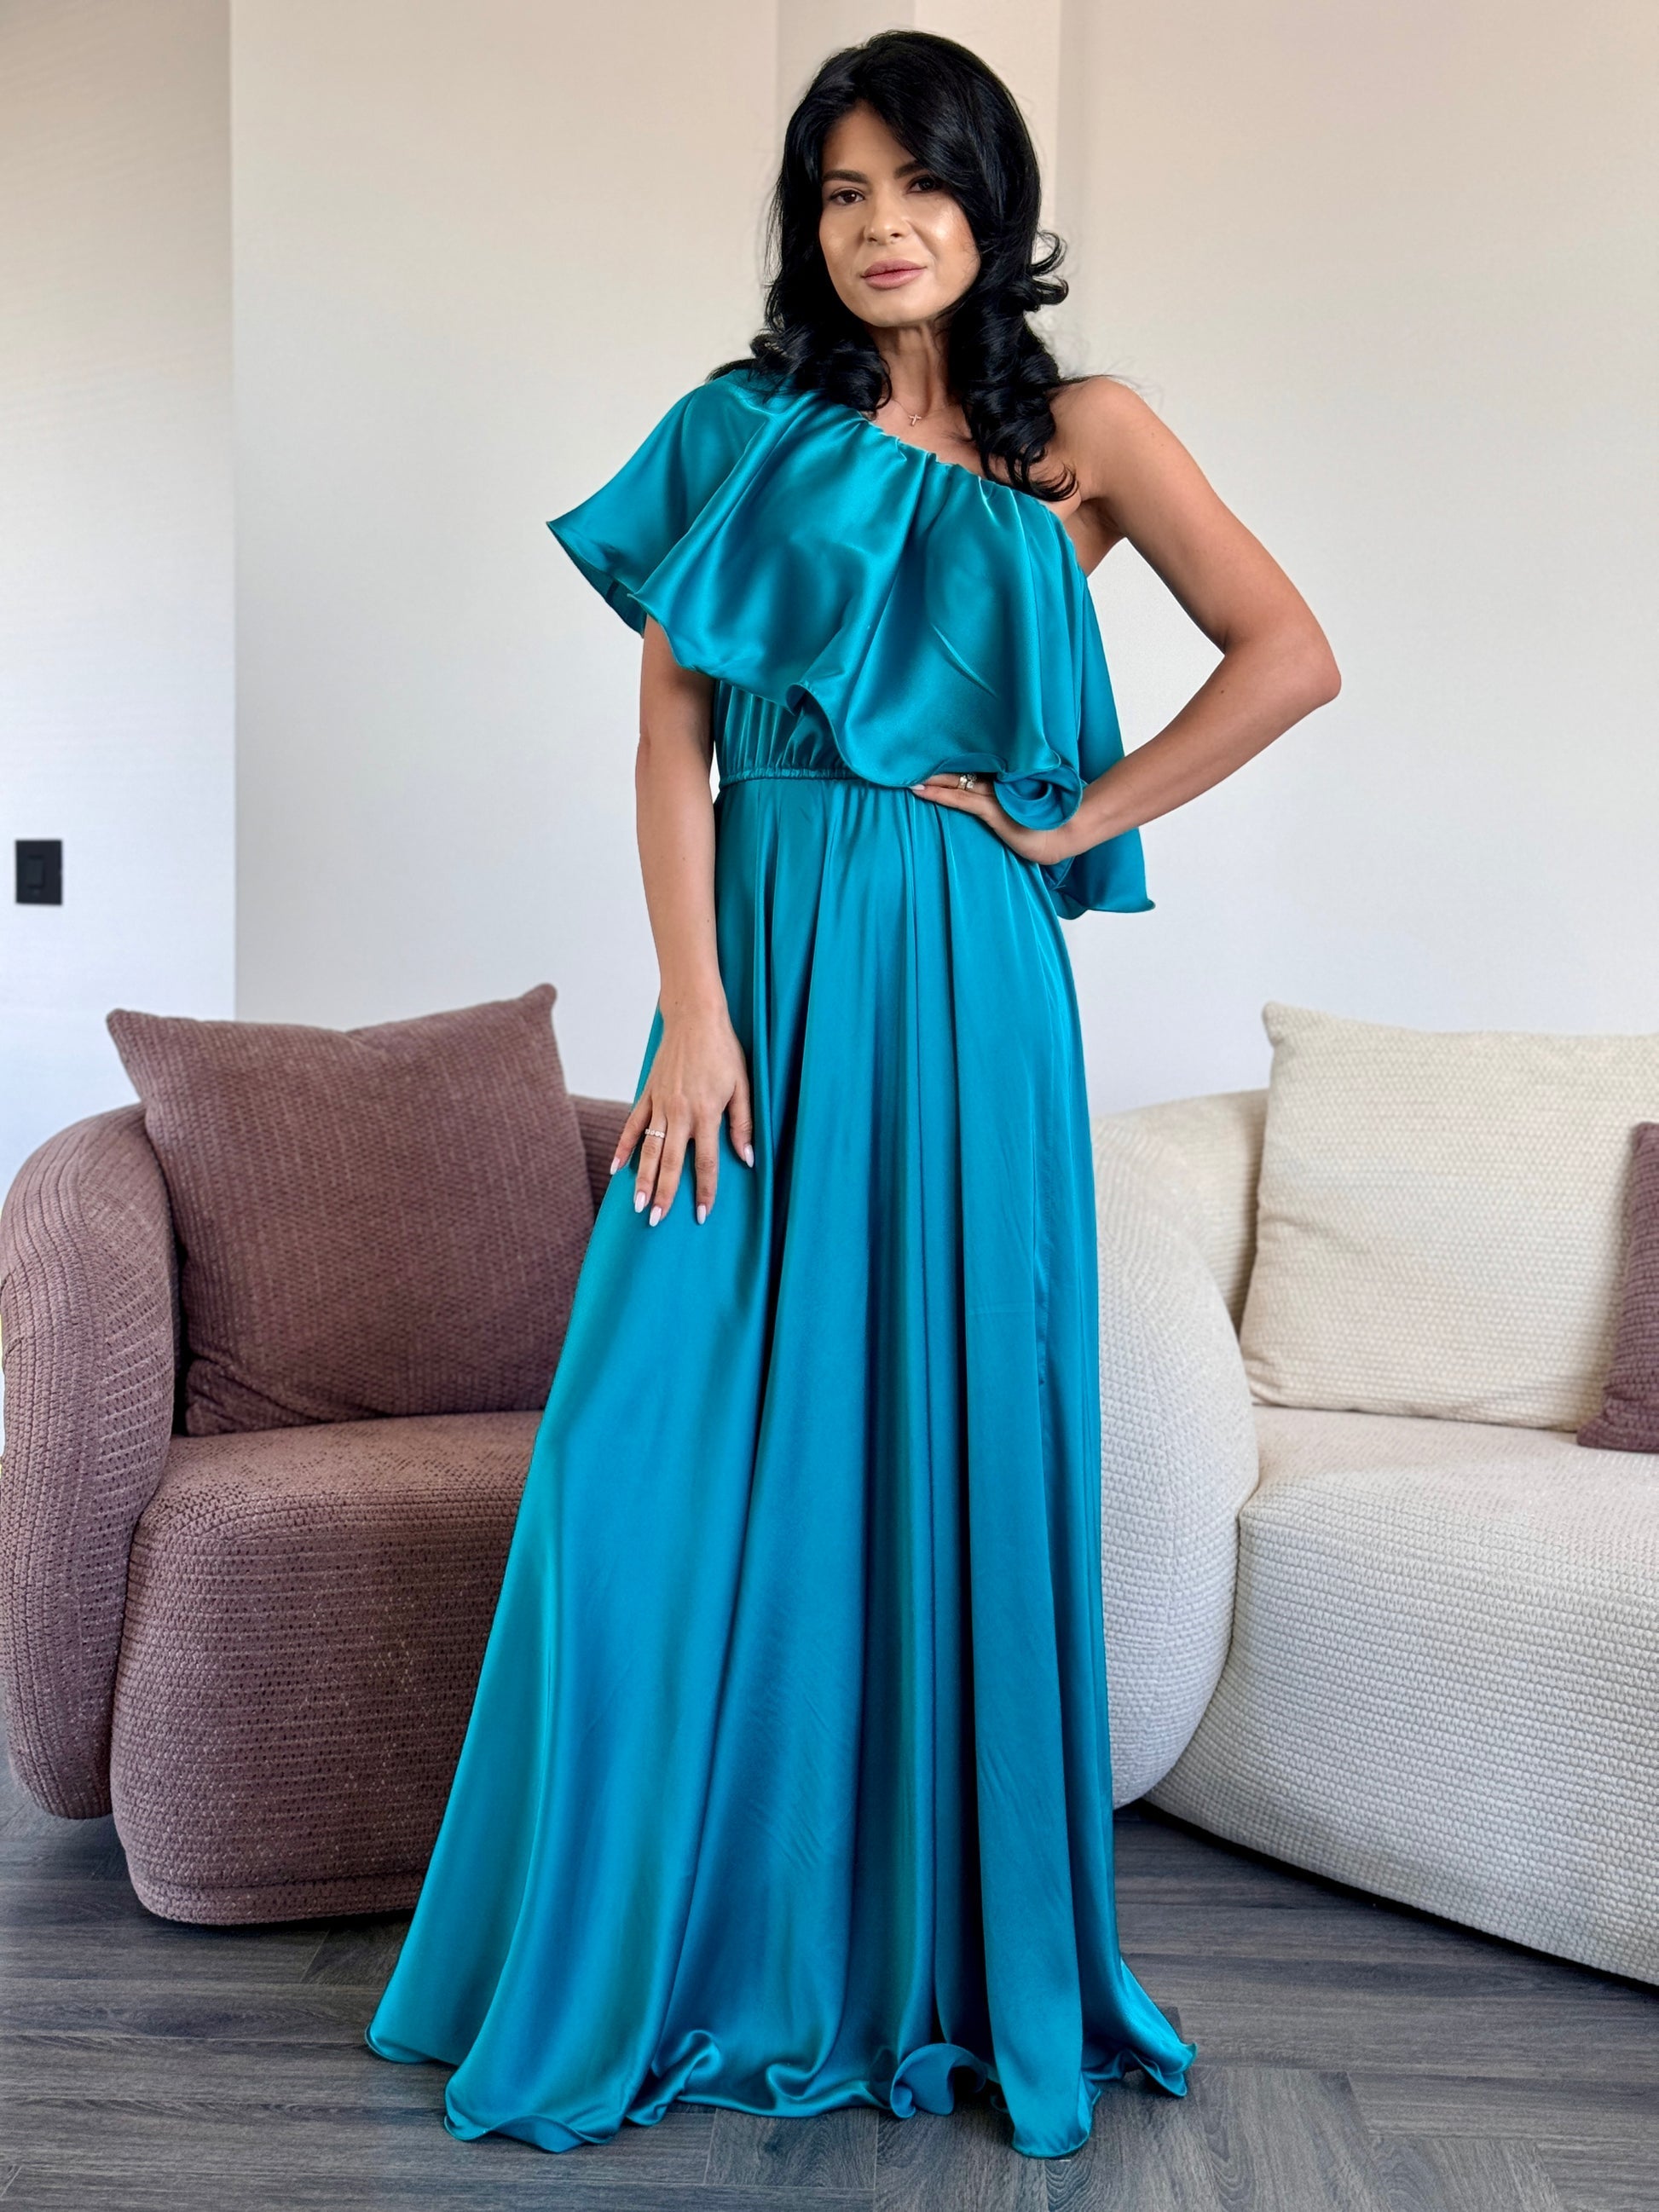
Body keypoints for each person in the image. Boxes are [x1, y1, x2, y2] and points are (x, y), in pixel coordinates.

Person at [363, 27, 1339, 2163]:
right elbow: (669, 743)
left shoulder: (1085, 436)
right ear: (807, 223)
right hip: (758, 971)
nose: (882, 224)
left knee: (948, 1434)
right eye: (842, 190)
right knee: (640, 1455)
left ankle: (922, 1956)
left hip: (970, 988)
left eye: (921, 182)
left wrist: (1072, 821)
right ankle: (654, 1940)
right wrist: (692, 1013)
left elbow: (1289, 651)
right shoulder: (742, 427)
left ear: (993, 205)